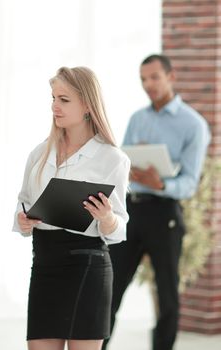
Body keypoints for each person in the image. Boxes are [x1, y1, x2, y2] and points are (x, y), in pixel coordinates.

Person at [13, 66, 131, 350]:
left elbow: (118, 230)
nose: (55, 106)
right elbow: (24, 202)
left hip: (87, 267)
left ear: (88, 105)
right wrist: (23, 221)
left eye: (64, 100)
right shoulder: (39, 153)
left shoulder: (112, 158)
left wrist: (106, 218)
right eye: (53, 98)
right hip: (44, 265)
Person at [102, 54, 211, 350]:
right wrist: (127, 168)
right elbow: (119, 162)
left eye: (154, 78)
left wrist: (160, 183)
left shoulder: (194, 125)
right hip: (130, 208)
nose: (148, 84)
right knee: (110, 287)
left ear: (171, 77)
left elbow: (190, 181)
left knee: (166, 294)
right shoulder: (138, 118)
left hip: (164, 214)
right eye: (142, 79)